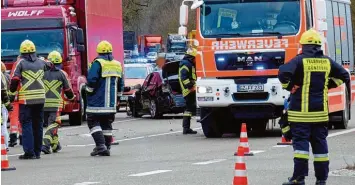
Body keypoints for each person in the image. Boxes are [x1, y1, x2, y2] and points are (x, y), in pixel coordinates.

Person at [278, 29, 350, 185]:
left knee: (301, 149)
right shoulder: (327, 61)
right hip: (320, 115)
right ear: (319, 45)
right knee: (321, 149)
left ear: (303, 45)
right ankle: (321, 180)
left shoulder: (299, 60)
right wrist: (328, 85)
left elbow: (283, 72)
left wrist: (290, 86)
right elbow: (344, 75)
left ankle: (298, 178)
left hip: (300, 115)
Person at [9, 39, 49, 159]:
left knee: (27, 125)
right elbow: (51, 65)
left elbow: (15, 80)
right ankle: (37, 152)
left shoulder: (20, 63)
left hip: (26, 100)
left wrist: (11, 94)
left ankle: (29, 152)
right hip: (41, 99)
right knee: (38, 125)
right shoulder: (42, 62)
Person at [85, 40, 123, 156]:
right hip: (110, 104)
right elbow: (121, 84)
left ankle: (100, 146)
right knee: (106, 125)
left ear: (98, 52)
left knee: (93, 122)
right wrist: (118, 99)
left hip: (97, 103)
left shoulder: (98, 63)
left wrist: (88, 91)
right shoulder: (117, 64)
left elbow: (91, 80)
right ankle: (106, 147)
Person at [41, 51, 75, 154]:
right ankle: (45, 144)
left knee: (49, 124)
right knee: (54, 123)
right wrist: (72, 98)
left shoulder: (42, 73)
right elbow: (68, 89)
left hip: (43, 103)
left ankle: (55, 145)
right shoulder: (61, 74)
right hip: (55, 104)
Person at [178, 46, 198, 135]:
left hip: (190, 89)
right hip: (188, 90)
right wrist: (190, 86)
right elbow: (184, 77)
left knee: (188, 110)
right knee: (189, 109)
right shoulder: (186, 64)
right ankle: (186, 128)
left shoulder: (188, 63)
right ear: (192, 57)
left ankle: (186, 128)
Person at [8, 57, 23, 147]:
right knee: (23, 118)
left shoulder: (17, 65)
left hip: (16, 97)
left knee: (14, 117)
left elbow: (12, 80)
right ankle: (22, 138)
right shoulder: (28, 65)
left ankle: (13, 138)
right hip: (24, 96)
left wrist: (11, 95)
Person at [1, 63, 13, 151]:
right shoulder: (6, 76)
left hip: (2, 105)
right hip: (3, 105)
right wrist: (8, 104)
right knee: (3, 126)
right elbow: (5, 92)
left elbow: (3, 92)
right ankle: (5, 146)